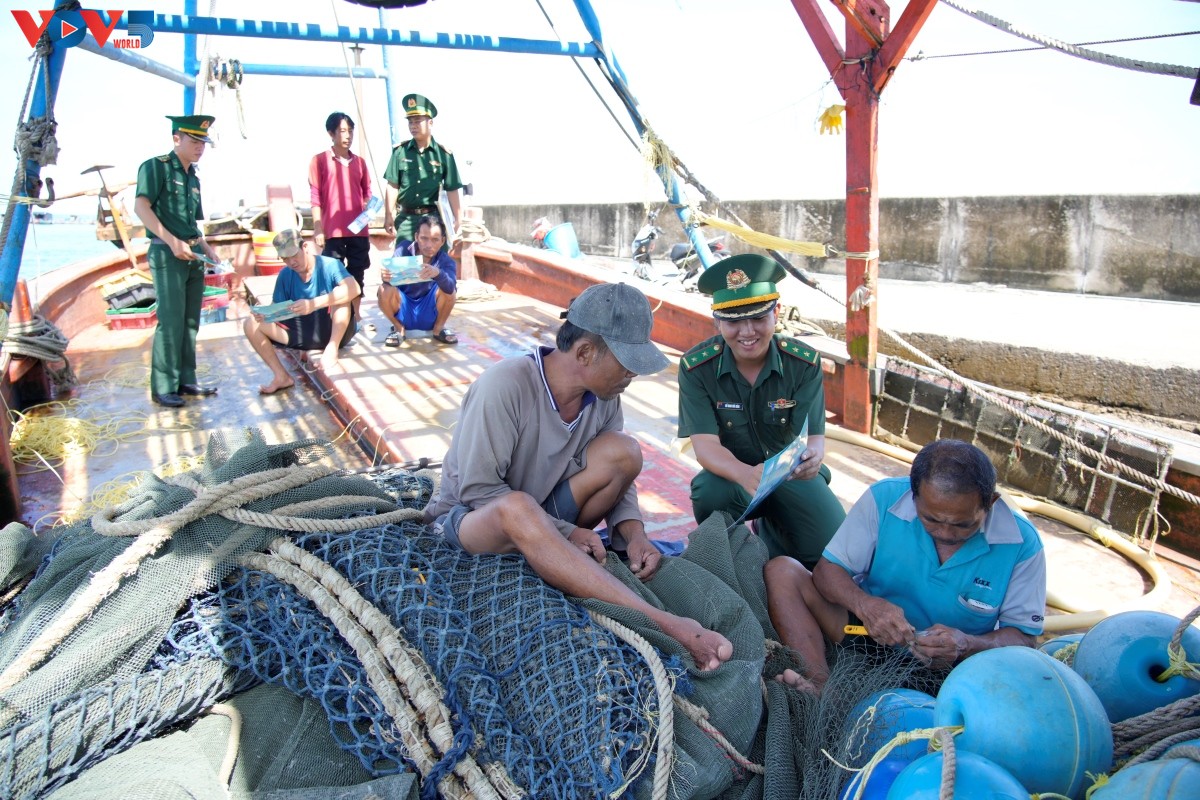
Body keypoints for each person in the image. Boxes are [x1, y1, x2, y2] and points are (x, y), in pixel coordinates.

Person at [423, 282, 734, 671]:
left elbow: (621, 483)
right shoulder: (504, 385)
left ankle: (564, 559)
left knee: (625, 451)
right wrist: (566, 532)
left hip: (543, 517)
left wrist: (634, 534)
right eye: (627, 362)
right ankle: (664, 624)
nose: (633, 373)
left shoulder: (604, 397)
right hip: (470, 521)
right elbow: (478, 491)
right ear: (585, 352)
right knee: (516, 507)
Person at [765, 439, 1047, 691]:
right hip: (868, 634)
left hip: (952, 666)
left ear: (991, 502)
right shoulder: (884, 498)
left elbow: (1023, 638)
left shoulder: (1022, 543)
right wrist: (866, 606)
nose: (945, 533)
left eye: (963, 524)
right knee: (783, 571)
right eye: (931, 519)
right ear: (913, 495)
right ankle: (819, 686)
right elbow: (827, 571)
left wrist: (965, 644)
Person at [677, 253, 846, 568]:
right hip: (733, 477)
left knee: (833, 554)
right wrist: (745, 474)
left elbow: (814, 437)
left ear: (776, 313)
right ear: (717, 321)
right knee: (708, 493)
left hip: (790, 476)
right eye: (733, 320)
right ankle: (730, 551)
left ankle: (772, 527)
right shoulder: (696, 368)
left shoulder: (803, 363)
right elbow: (705, 446)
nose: (747, 331)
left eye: (758, 318)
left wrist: (814, 457)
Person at [134, 114, 223, 408]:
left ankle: (186, 380)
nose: (200, 147)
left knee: (190, 322)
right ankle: (163, 387)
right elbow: (141, 207)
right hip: (167, 254)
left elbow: (190, 223)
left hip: (192, 256)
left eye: (203, 142)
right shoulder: (155, 167)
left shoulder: (193, 178)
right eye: (194, 140)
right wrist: (172, 242)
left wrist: (207, 248)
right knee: (171, 321)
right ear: (177, 139)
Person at [242, 229, 360, 393]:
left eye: (294, 255)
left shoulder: (329, 265)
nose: (291, 262)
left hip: (334, 330)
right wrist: (265, 315)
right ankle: (281, 376)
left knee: (342, 297)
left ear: (305, 247)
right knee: (250, 323)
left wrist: (313, 304)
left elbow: (354, 289)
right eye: (285, 259)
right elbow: (277, 309)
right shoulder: (285, 275)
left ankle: (331, 350)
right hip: (303, 333)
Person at [309, 111, 372, 321]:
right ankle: (335, 316)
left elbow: (367, 193)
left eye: (351, 131)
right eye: (343, 131)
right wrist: (318, 228)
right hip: (333, 230)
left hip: (359, 230)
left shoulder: (361, 163)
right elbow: (315, 196)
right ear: (331, 133)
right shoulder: (319, 161)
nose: (348, 136)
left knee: (358, 271)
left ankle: (355, 315)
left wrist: (369, 208)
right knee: (333, 274)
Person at [382, 94, 463, 248]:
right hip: (406, 220)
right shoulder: (400, 152)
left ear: (430, 122)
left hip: (433, 220)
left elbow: (452, 188)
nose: (413, 126)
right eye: (410, 122)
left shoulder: (444, 155)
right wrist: (388, 214)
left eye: (418, 121)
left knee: (437, 260)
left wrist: (458, 218)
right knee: (403, 260)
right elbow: (392, 185)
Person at [377, 214, 458, 346]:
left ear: (443, 241)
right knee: (383, 289)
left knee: (450, 291)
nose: (429, 245)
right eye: (424, 238)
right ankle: (398, 328)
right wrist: (386, 277)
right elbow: (390, 281)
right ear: (416, 237)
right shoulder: (403, 249)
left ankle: (438, 329)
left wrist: (438, 274)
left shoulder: (446, 261)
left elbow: (450, 288)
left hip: (431, 312)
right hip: (403, 309)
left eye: (435, 240)